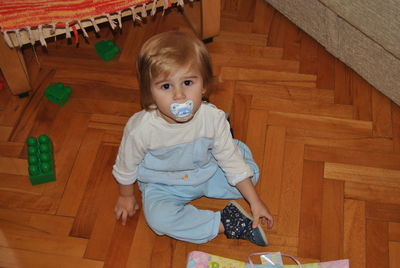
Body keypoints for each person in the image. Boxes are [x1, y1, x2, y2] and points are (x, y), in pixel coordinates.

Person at [112, 31, 274, 246]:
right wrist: (126, 195)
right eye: (166, 86)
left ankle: (227, 144)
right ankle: (226, 223)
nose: (179, 96)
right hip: (163, 183)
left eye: (188, 82)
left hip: (205, 171)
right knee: (159, 219)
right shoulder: (141, 129)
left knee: (248, 174)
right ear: (149, 92)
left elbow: (231, 163)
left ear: (204, 86)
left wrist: (255, 202)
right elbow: (126, 166)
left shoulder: (212, 118)